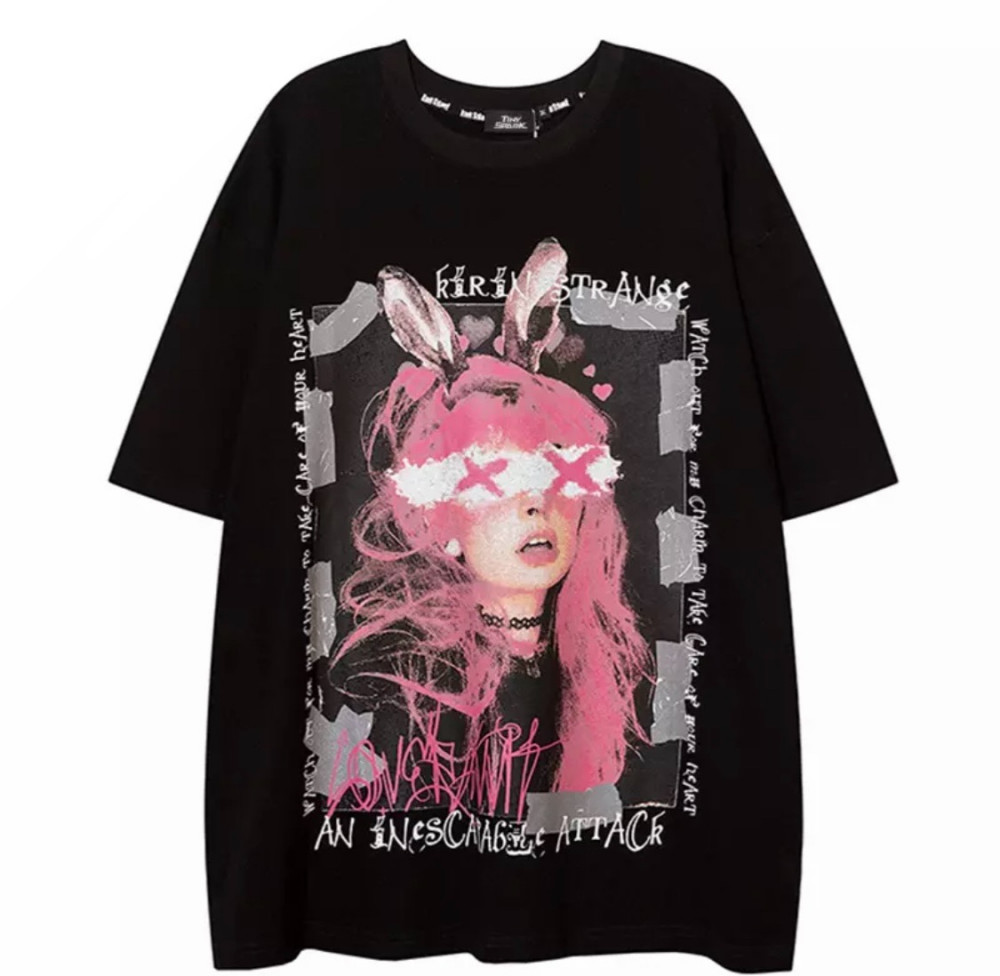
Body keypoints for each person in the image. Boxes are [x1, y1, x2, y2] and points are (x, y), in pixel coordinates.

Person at [320, 238, 656, 820]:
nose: (535, 504)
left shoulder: (622, 670)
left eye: (553, 472)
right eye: (494, 479)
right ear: (441, 518)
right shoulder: (391, 681)